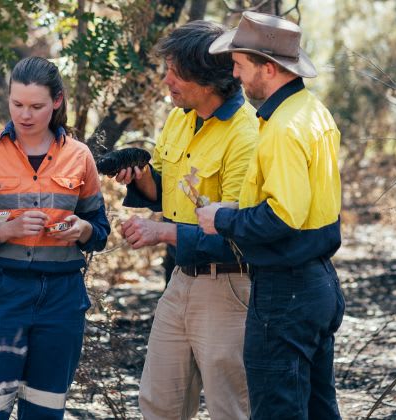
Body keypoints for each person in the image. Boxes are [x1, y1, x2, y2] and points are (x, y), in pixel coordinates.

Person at [196, 11, 346, 420]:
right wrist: (238, 209)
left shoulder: (282, 127)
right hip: (317, 284)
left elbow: (283, 218)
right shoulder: (312, 110)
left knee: (276, 410)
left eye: (240, 64)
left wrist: (221, 221)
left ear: (269, 67)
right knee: (318, 408)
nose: (235, 74)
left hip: (287, 291)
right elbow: (301, 203)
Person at [0, 56, 110, 420]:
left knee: (45, 410)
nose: (25, 115)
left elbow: (99, 231)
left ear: (57, 101)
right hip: (0, 295)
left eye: (36, 106)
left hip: (62, 299)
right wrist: (6, 231)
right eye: (17, 104)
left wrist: (82, 230)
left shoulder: (80, 157)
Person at [113, 20, 258, 419]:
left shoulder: (246, 135)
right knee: (159, 402)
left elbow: (238, 232)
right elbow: (162, 189)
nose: (166, 81)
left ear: (208, 78)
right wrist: (139, 172)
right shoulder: (179, 118)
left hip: (229, 287)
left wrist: (161, 232)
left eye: (175, 72)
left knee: (230, 407)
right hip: (181, 281)